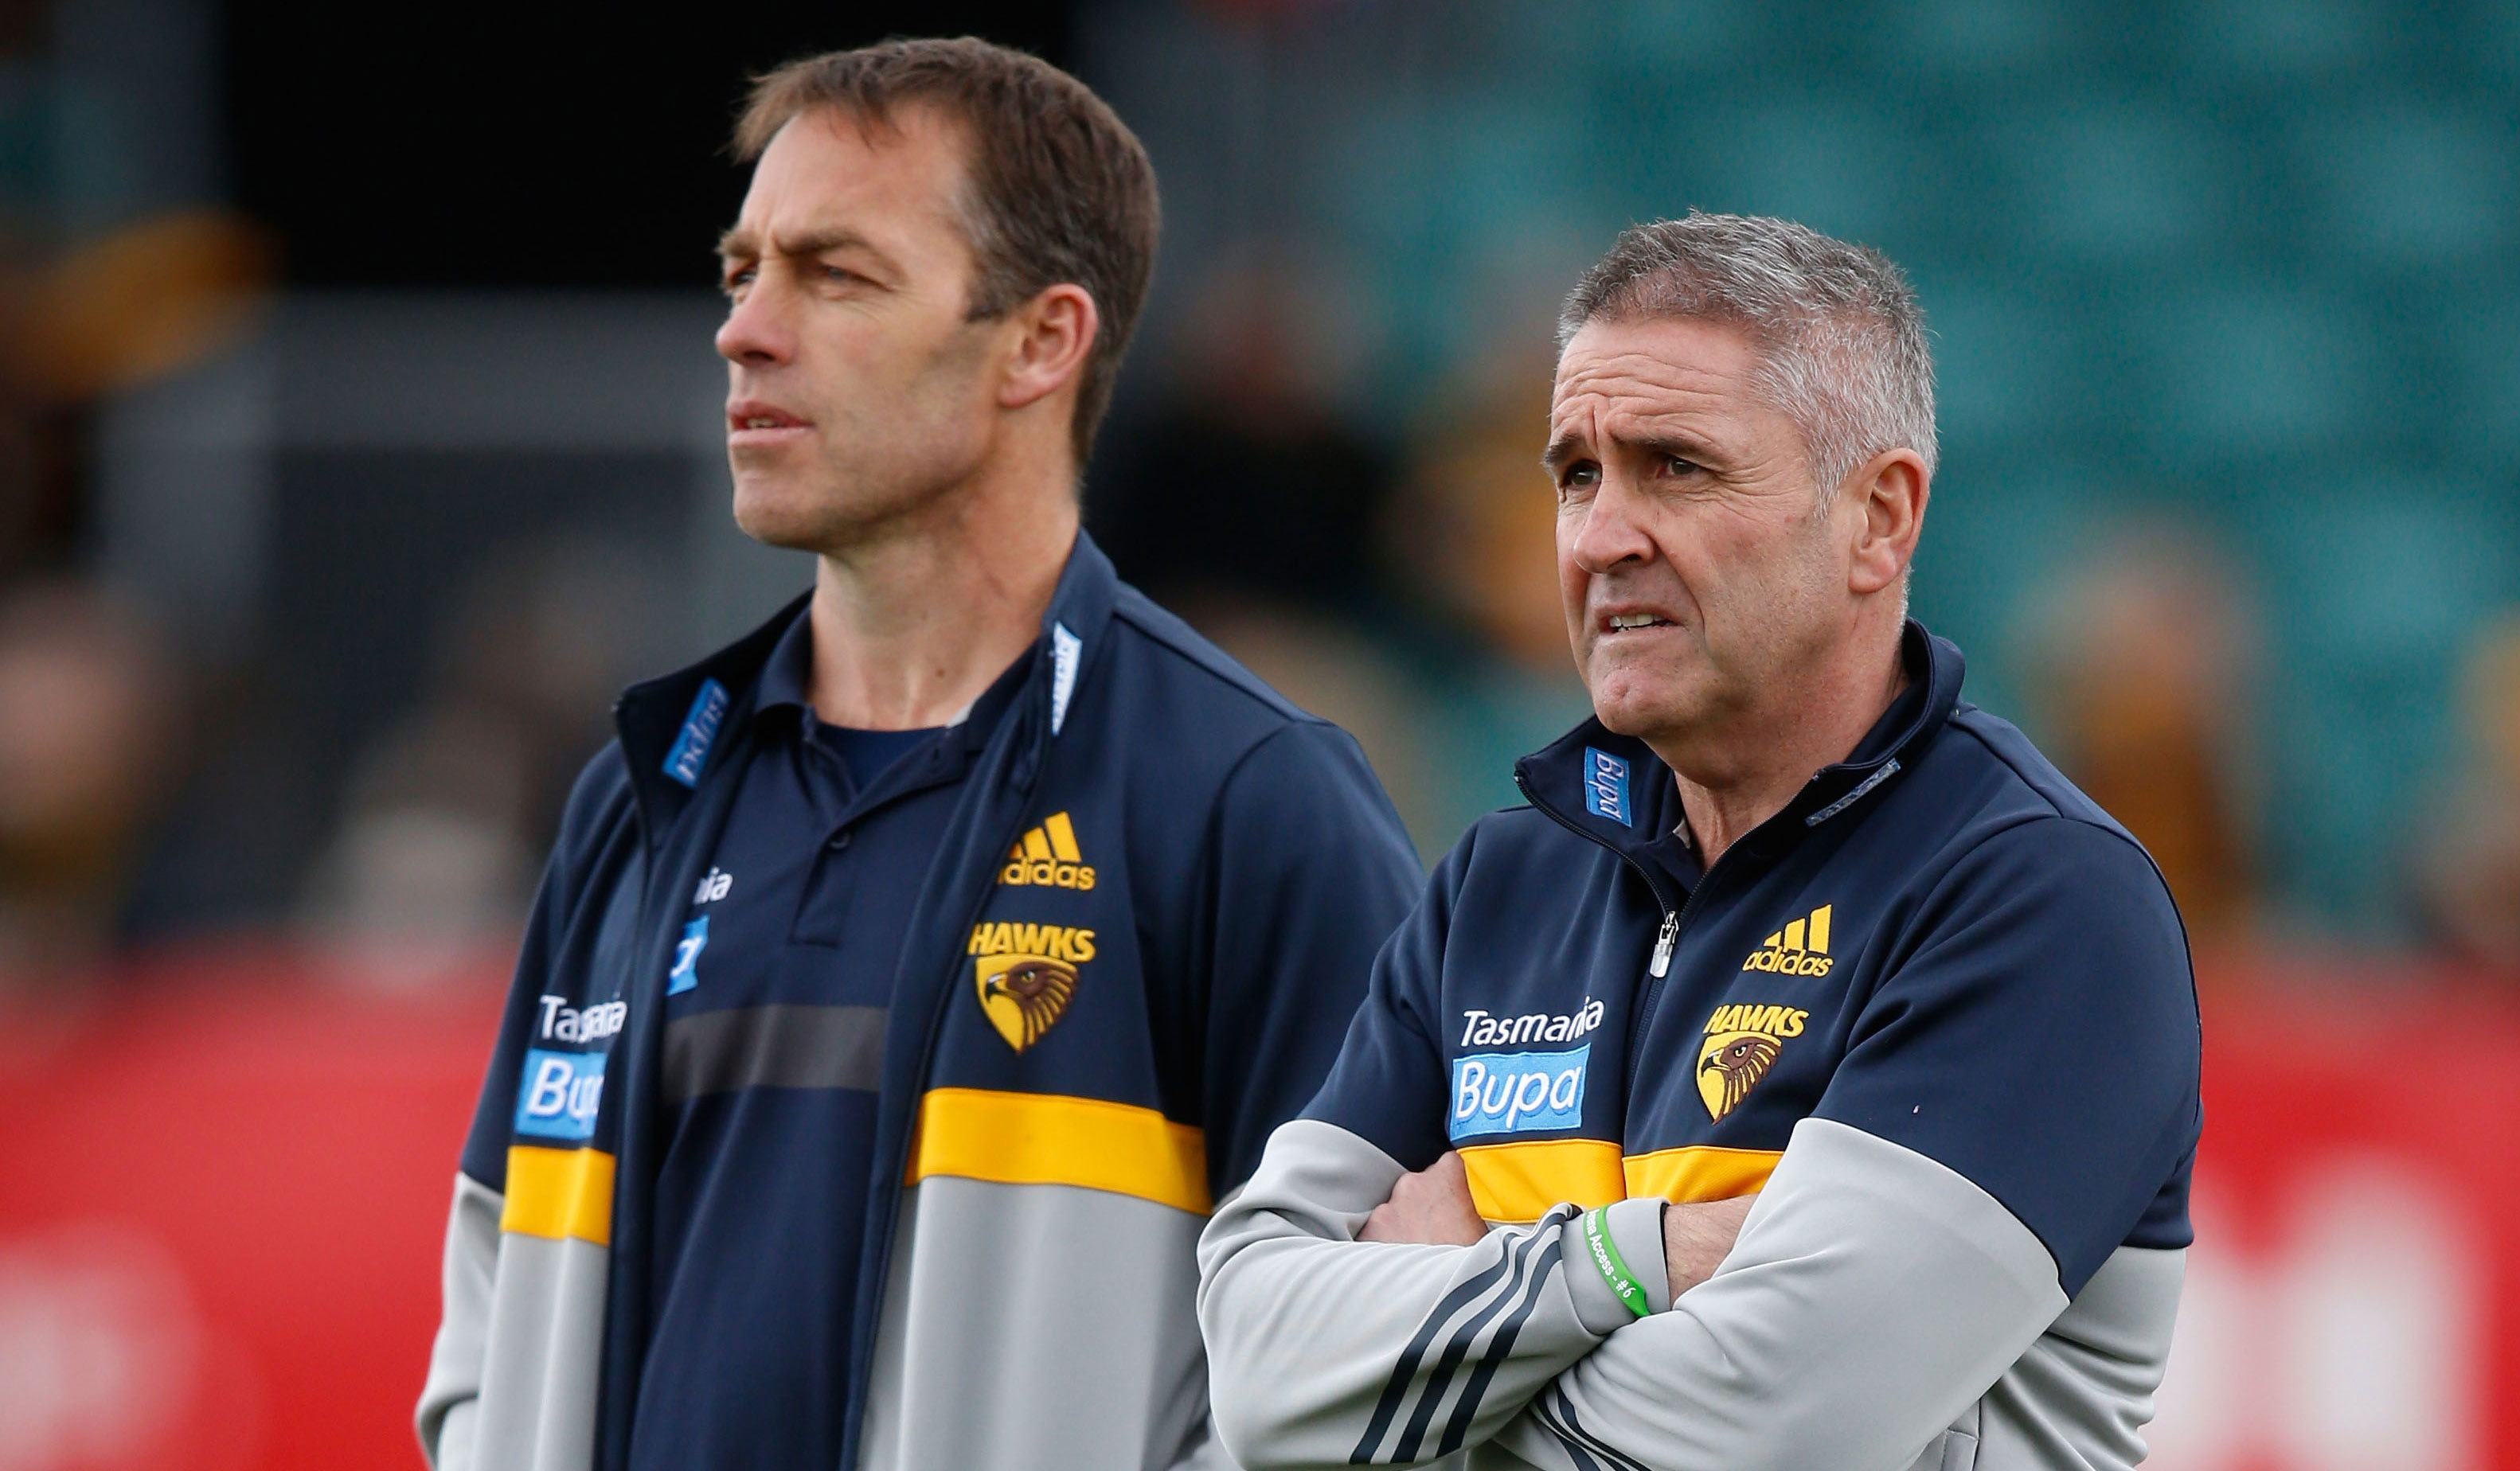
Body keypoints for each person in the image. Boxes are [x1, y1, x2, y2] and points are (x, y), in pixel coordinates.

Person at [416, 39, 1424, 1471]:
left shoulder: (1251, 803)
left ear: (1041, 341)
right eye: (741, 269)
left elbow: (1381, 1364)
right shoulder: (641, 796)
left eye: (835, 274)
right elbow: (488, 1314)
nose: (746, 330)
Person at [1197, 213, 2201, 1471]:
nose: (1601, 537)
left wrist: (1419, 1352)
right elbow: (1250, 1370)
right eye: (1576, 473)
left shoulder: (2037, 898)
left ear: (1878, 519)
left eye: (1676, 466)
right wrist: (1634, 1262)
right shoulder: (1499, 886)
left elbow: (1751, 1444)